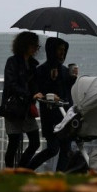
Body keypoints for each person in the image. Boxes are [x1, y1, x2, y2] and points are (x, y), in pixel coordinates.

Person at [27, 37, 73, 171]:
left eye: (64, 50)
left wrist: (72, 80)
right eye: (59, 50)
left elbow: (68, 93)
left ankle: (60, 176)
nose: (62, 53)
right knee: (53, 149)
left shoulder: (65, 71)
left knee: (66, 148)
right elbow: (37, 91)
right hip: (50, 116)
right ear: (52, 50)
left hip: (66, 115)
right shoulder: (41, 70)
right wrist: (51, 80)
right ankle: (28, 169)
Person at [2, 31, 44, 168]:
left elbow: (35, 85)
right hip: (13, 107)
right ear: (25, 45)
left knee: (34, 142)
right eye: (34, 46)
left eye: (37, 47)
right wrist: (30, 95)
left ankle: (20, 169)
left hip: (27, 108)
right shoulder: (12, 62)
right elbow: (11, 84)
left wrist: (36, 93)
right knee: (14, 142)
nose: (35, 49)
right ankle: (9, 171)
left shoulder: (33, 65)